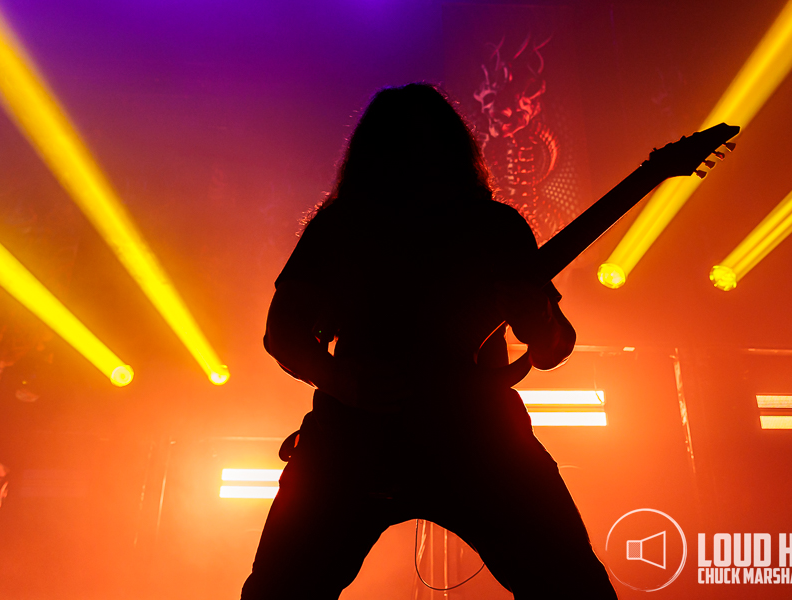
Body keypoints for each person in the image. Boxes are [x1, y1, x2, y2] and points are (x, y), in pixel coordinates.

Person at [242, 83, 618, 599]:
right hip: (373, 442)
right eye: (403, 145)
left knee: (573, 588)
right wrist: (342, 380)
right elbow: (282, 331)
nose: (417, 159)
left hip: (461, 440)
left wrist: (538, 324)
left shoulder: (493, 226)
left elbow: (555, 346)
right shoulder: (342, 228)